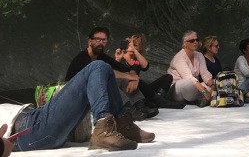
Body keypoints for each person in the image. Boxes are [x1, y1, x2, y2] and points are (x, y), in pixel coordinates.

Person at [0, 61, 154, 152]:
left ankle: (122, 125)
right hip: (29, 129)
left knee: (105, 68)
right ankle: (103, 128)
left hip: (33, 124)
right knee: (97, 67)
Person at [65, 26, 157, 120]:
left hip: (92, 92)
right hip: (76, 95)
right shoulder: (81, 58)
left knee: (123, 80)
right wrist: (130, 76)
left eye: (104, 40)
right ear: (90, 41)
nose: (101, 43)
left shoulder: (101, 56)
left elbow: (122, 67)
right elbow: (104, 72)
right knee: (109, 81)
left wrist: (134, 77)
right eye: (98, 39)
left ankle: (139, 106)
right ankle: (126, 110)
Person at [116, 33, 178, 109]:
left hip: (140, 89)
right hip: (128, 89)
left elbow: (145, 66)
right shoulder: (121, 57)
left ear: (140, 48)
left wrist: (134, 50)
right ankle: (160, 102)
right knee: (138, 80)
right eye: (130, 45)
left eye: (135, 45)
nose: (131, 47)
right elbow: (114, 72)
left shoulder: (137, 59)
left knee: (167, 77)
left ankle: (157, 100)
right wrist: (118, 59)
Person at [167, 30, 215, 107]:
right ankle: (202, 98)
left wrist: (212, 86)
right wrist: (204, 92)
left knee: (214, 83)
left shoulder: (199, 55)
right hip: (178, 89)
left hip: (194, 87)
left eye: (196, 40)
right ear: (185, 43)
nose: (195, 42)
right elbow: (189, 78)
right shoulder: (179, 58)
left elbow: (205, 73)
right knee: (188, 84)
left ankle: (201, 99)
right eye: (192, 41)